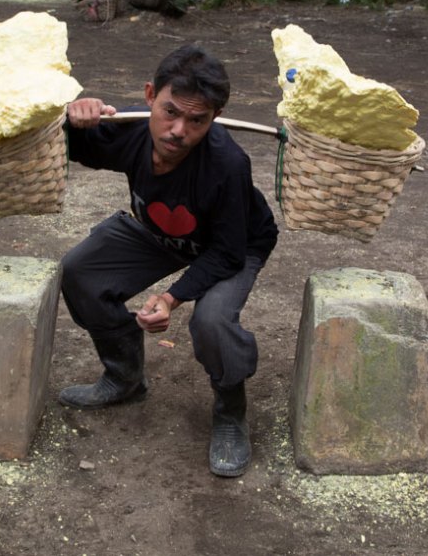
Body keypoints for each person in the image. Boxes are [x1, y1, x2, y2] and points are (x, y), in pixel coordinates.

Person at [59, 44, 278, 477]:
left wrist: (172, 297)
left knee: (212, 321)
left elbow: (228, 252)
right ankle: (124, 377)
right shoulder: (130, 128)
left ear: (214, 118)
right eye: (170, 112)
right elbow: (76, 146)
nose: (178, 130)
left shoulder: (228, 164)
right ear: (149, 96)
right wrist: (75, 118)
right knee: (81, 272)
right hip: (159, 232)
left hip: (230, 245)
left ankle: (231, 409)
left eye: (197, 121)